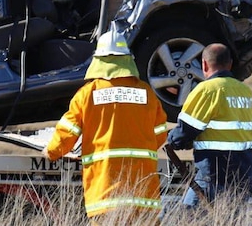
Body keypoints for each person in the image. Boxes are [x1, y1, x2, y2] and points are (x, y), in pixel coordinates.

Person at [43, 30, 168, 222]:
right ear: (127, 60)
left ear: (98, 61)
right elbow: (160, 134)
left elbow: (67, 133)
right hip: (143, 193)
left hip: (104, 193)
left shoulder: (88, 94)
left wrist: (51, 152)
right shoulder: (146, 93)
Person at [166, 42, 252, 208]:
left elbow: (185, 132)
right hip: (244, 173)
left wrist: (172, 139)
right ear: (229, 64)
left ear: (204, 64)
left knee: (189, 217)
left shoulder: (207, 90)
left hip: (215, 174)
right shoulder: (245, 91)